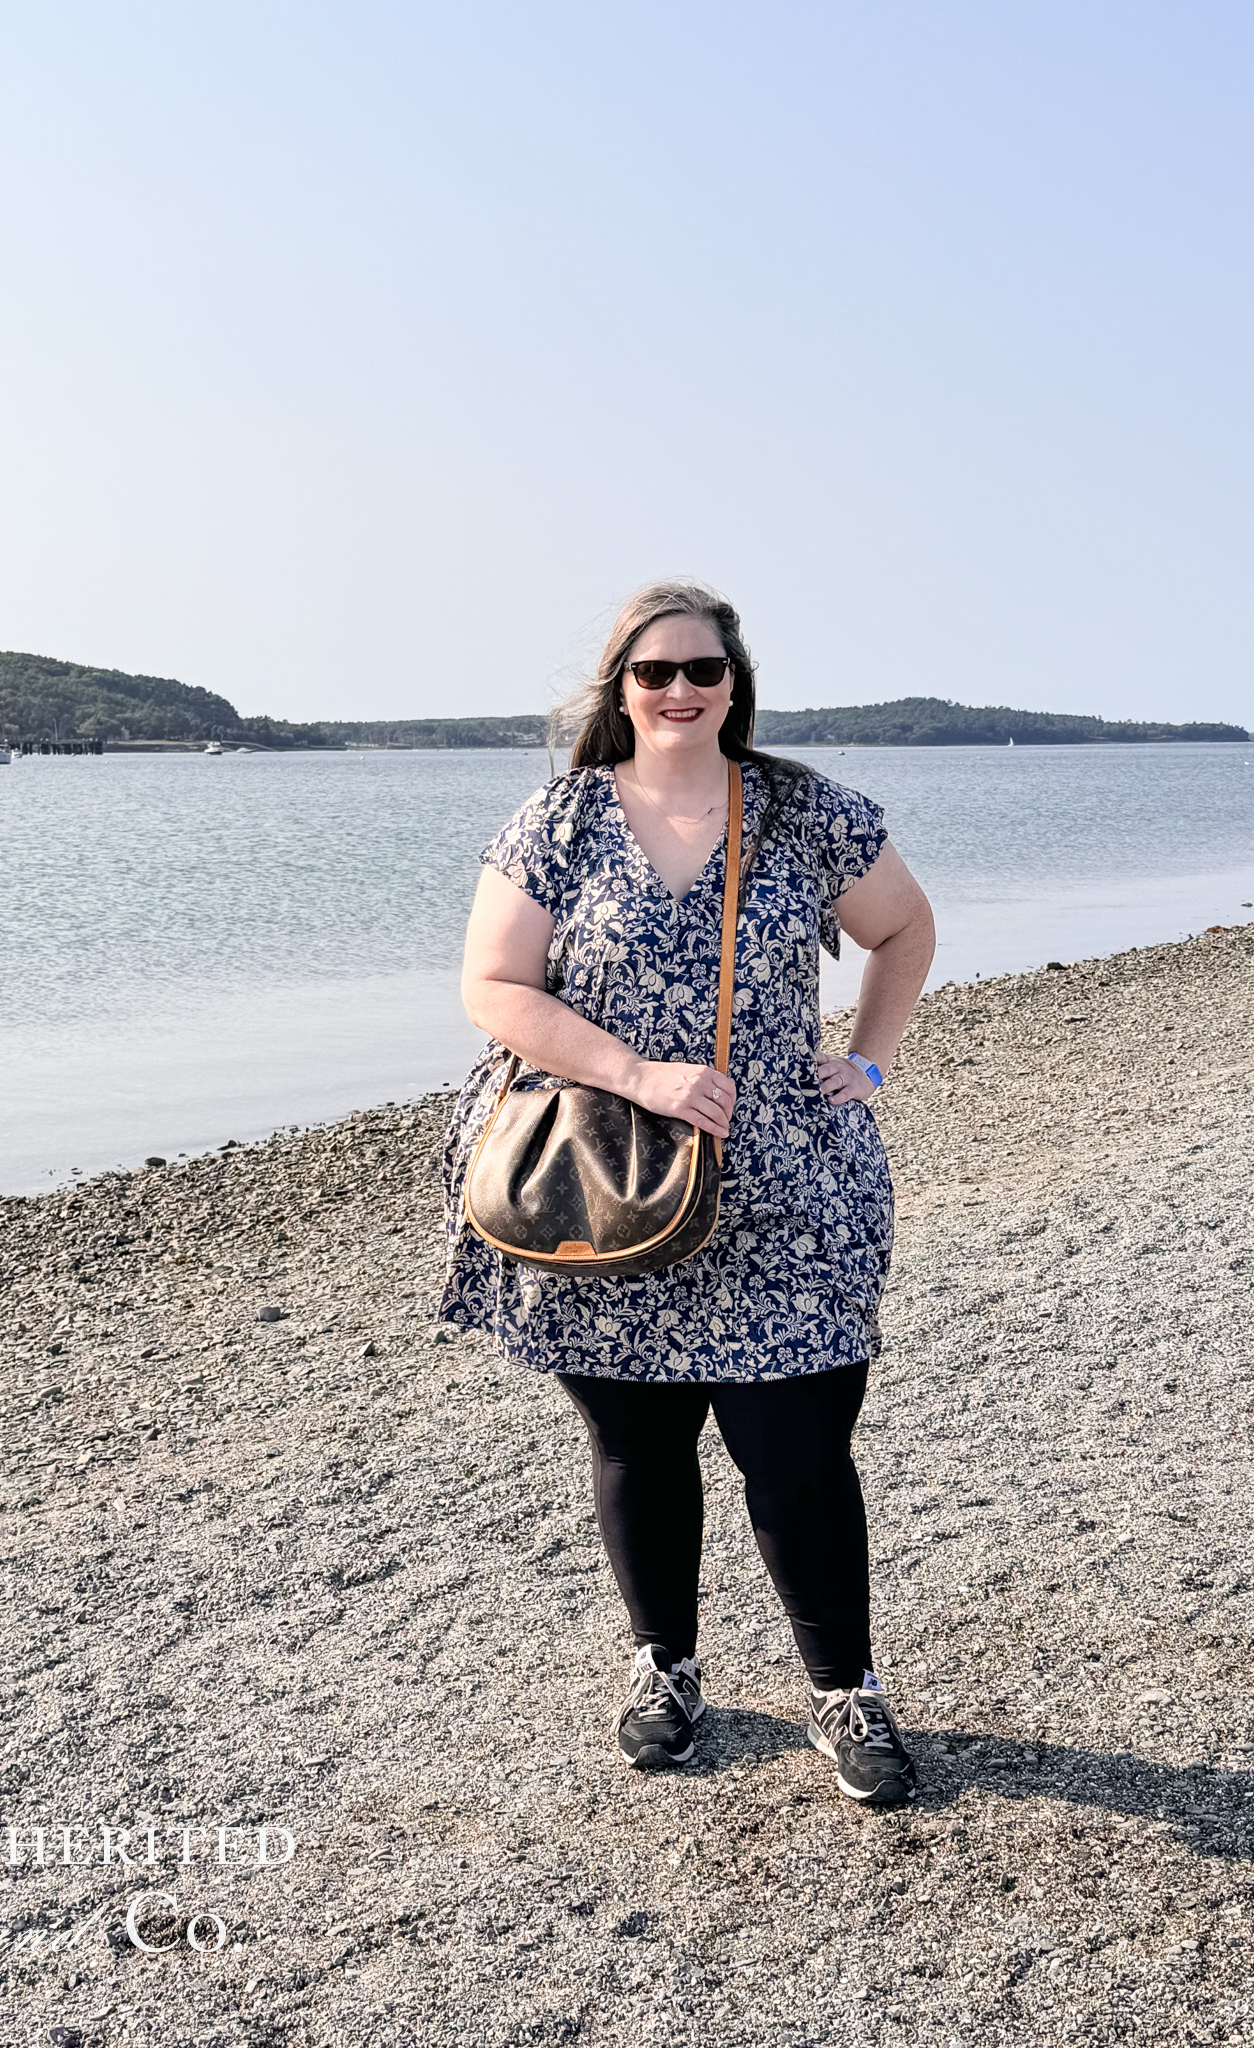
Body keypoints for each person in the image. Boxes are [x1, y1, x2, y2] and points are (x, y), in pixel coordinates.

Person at [440, 581, 935, 1803]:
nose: (679, 690)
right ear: (619, 685)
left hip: (789, 1178)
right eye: (654, 671)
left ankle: (845, 1691)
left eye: (702, 671)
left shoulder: (804, 812)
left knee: (800, 1454)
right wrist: (637, 1073)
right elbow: (494, 986)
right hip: (602, 1177)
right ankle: (666, 1668)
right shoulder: (556, 819)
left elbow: (906, 927)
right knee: (637, 1444)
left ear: (735, 683)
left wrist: (865, 1059)